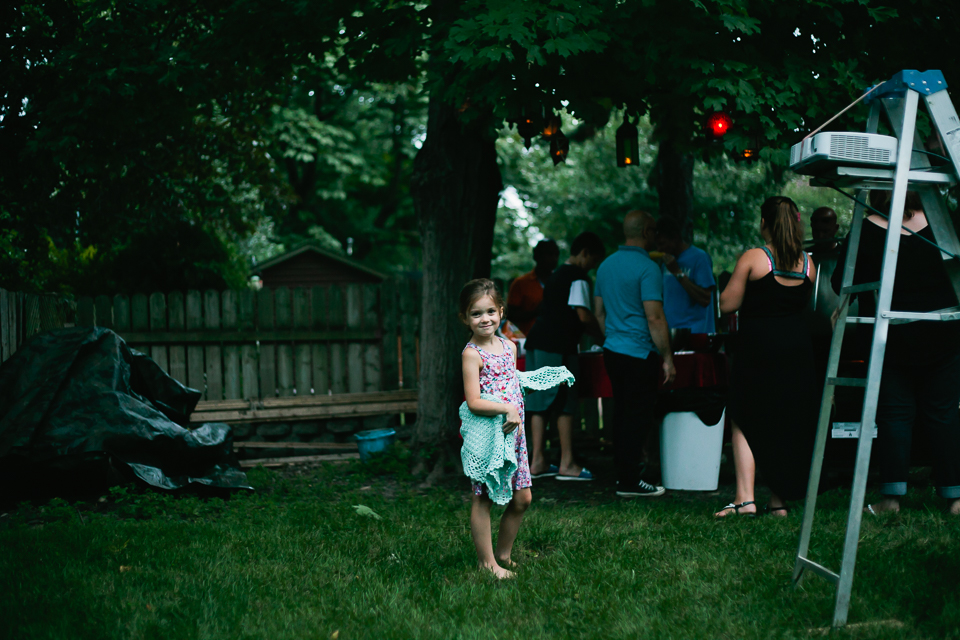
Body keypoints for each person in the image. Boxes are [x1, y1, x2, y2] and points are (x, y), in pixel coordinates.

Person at [832, 190, 960, 516]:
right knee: (944, 415)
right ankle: (955, 498)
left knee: (894, 417)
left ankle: (891, 500)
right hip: (943, 334)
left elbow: (840, 281)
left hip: (890, 338)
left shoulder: (866, 229)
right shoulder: (944, 224)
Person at [716, 196, 819, 517]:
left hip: (759, 348)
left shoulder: (754, 257)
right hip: (798, 350)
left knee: (744, 415)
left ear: (764, 223)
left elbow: (727, 304)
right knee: (785, 421)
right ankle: (779, 502)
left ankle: (744, 500)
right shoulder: (808, 263)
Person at [594, 210, 676, 497]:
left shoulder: (605, 266)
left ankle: (623, 475)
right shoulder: (648, 268)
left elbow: (599, 313)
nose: (655, 236)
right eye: (653, 231)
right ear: (645, 233)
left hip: (613, 350)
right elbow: (654, 318)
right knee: (638, 416)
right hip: (640, 352)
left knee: (621, 414)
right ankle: (630, 481)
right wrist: (668, 358)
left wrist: (614, 336)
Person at [460, 278, 532, 579]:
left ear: (501, 311)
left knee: (522, 498)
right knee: (484, 497)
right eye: (476, 314)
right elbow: (474, 401)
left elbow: (510, 382)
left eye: (490, 311)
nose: (484, 319)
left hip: (515, 436)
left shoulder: (510, 347)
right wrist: (506, 408)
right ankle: (487, 563)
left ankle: (503, 554)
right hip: (490, 438)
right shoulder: (471, 354)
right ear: (465, 318)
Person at [524, 231, 606, 481]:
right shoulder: (577, 277)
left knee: (538, 403)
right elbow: (583, 315)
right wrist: (604, 336)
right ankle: (567, 463)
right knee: (565, 403)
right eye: (593, 260)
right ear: (584, 253)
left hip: (536, 343)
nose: (593, 266)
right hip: (558, 347)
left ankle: (536, 461)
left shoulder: (556, 274)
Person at [655, 216, 717, 333]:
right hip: (671, 333)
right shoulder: (666, 263)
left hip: (695, 334)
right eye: (657, 245)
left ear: (675, 238)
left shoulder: (699, 258)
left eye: (662, 243)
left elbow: (705, 298)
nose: (659, 249)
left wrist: (677, 273)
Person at [507, 239, 560, 337]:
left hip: (556, 341)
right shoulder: (521, 283)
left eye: (556, 255)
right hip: (528, 340)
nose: (553, 259)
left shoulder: (561, 283)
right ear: (537, 256)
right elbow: (510, 315)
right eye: (549, 254)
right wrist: (535, 312)